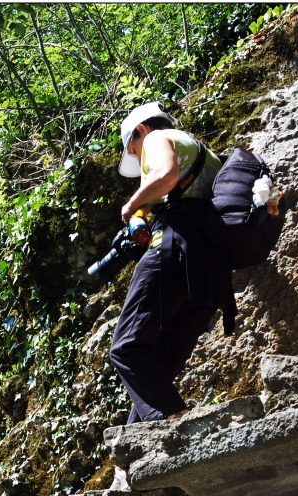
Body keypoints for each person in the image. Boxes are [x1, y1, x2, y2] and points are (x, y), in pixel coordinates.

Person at [109, 101, 236, 424]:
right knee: (161, 361)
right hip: (208, 267)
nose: (138, 157)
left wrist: (131, 204)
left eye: (133, 150)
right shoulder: (201, 153)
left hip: (173, 252)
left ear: (141, 131)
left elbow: (166, 174)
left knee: (126, 349)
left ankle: (175, 422)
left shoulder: (156, 138)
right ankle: (134, 452)